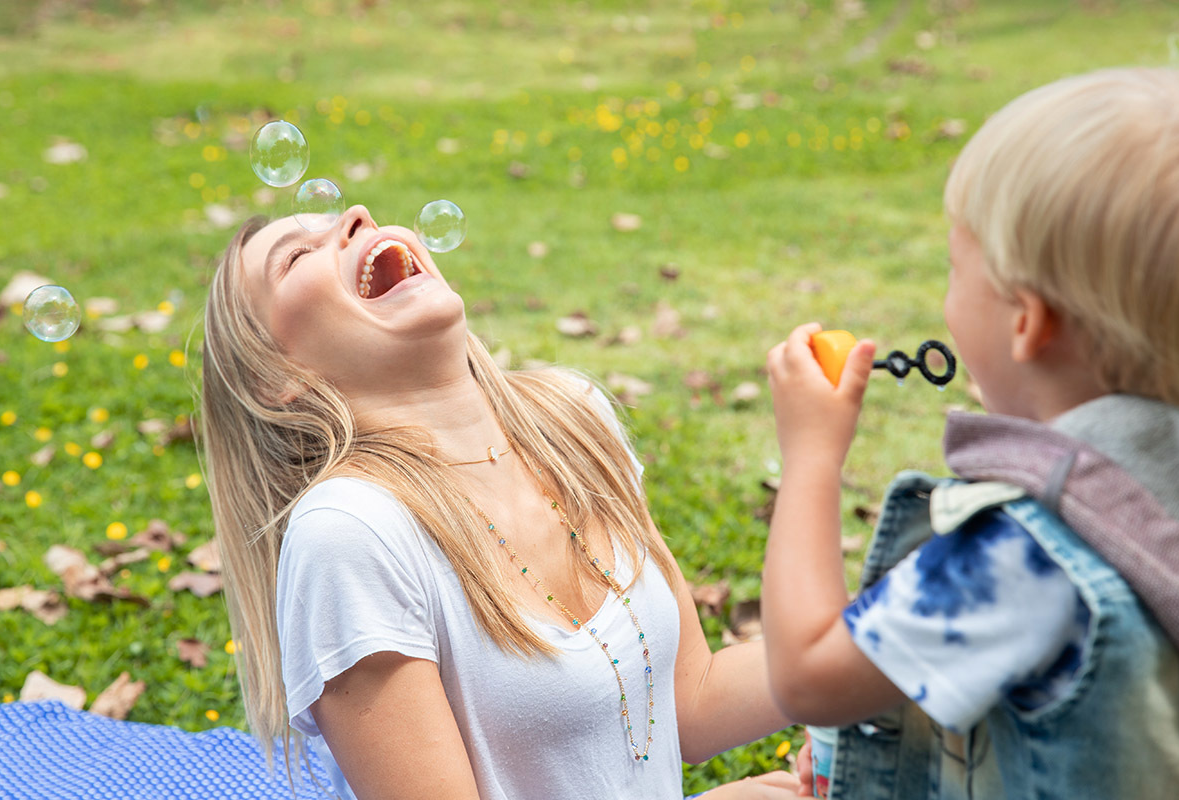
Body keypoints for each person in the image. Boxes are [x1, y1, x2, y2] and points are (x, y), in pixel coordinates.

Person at [200, 204, 808, 799]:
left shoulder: (573, 420)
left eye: (346, 216)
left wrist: (880, 633)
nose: (357, 214)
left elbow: (692, 700)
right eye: (299, 255)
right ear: (276, 380)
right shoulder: (351, 534)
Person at [761, 67, 1179, 798]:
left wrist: (810, 458)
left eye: (955, 267)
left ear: (1027, 321)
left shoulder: (1023, 554)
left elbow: (809, 675)